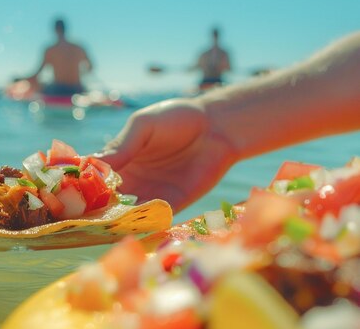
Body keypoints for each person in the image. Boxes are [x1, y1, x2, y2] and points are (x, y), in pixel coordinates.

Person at [98, 31, 360, 213]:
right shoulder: (217, 53)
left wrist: (213, 121)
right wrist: (211, 122)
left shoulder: (217, 53)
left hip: (210, 89)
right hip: (212, 99)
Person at [26, 18, 93, 96]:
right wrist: (80, 73)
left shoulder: (50, 50)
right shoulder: (79, 47)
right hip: (78, 88)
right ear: (66, 29)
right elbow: (90, 67)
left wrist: (23, 79)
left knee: (36, 84)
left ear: (55, 30)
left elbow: (37, 74)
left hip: (58, 90)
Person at [191, 27, 231, 91]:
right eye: (214, 35)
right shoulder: (204, 53)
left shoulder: (224, 54)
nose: (215, 37)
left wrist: (221, 66)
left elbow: (229, 68)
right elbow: (195, 66)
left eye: (216, 35)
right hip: (205, 80)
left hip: (218, 81)